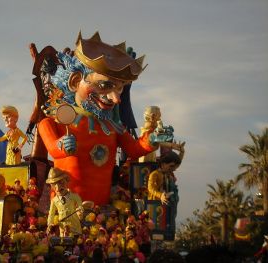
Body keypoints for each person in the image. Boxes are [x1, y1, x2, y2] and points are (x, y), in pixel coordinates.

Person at [37, 32, 182, 205]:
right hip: (67, 211)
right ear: (75, 82)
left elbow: (134, 148)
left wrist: (152, 138)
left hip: (102, 213)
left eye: (119, 89)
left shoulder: (112, 127)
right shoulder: (50, 123)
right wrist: (61, 145)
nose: (115, 99)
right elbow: (54, 149)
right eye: (105, 85)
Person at [46, 167, 83, 237]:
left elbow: (80, 206)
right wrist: (49, 224)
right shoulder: (54, 200)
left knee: (76, 242)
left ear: (66, 181)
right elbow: (51, 214)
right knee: (64, 242)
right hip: (63, 229)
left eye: (61, 183)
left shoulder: (75, 197)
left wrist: (79, 212)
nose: (58, 187)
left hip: (74, 227)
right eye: (54, 185)